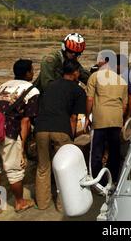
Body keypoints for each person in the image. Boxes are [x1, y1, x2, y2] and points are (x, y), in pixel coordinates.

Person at [0, 59, 39, 214]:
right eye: (32, 70)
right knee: (14, 169)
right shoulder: (32, 90)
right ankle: (20, 202)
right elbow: (26, 120)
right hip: (9, 130)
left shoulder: (3, 85)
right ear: (28, 73)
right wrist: (21, 147)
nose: (33, 72)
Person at [34, 60, 86, 211]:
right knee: (64, 168)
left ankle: (43, 204)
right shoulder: (78, 90)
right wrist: (76, 138)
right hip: (61, 130)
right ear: (75, 72)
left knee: (43, 167)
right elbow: (76, 118)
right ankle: (62, 205)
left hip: (41, 129)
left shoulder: (49, 86)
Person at [85, 52, 128, 185]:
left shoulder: (95, 76)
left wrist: (87, 116)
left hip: (100, 119)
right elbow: (124, 104)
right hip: (116, 119)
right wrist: (120, 118)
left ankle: (97, 182)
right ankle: (112, 180)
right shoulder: (122, 81)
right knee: (114, 152)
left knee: (97, 152)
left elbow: (90, 99)